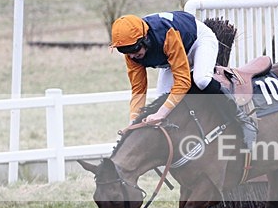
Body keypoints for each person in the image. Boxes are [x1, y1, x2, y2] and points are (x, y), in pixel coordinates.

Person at [110, 11, 257, 146]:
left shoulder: (167, 34)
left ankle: (241, 119)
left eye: (134, 49)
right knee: (161, 99)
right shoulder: (131, 56)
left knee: (202, 80)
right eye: (124, 51)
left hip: (198, 42)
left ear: (145, 38)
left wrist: (161, 114)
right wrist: (133, 123)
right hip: (172, 56)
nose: (132, 56)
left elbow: (183, 81)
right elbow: (138, 90)